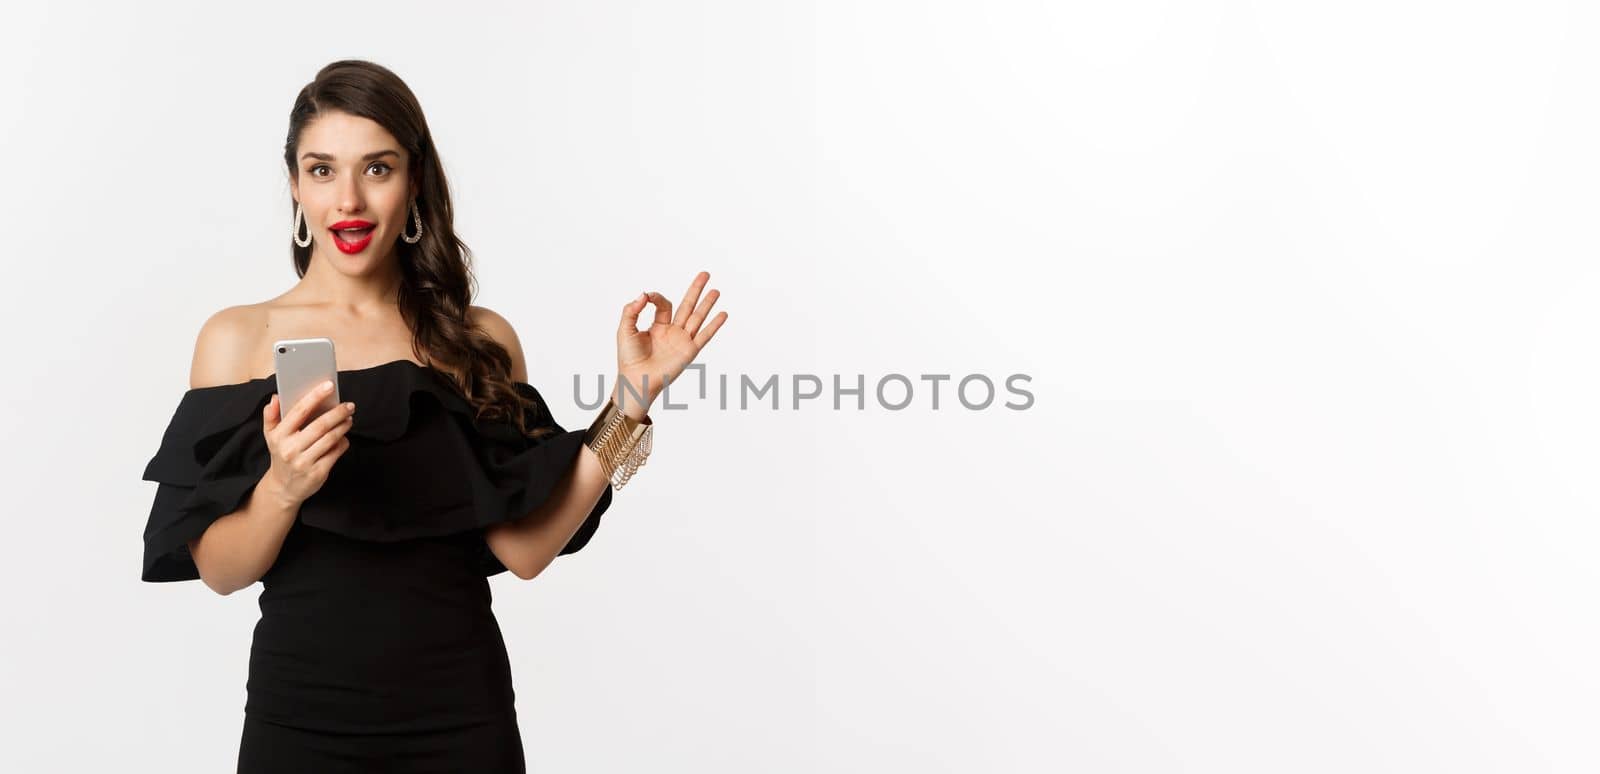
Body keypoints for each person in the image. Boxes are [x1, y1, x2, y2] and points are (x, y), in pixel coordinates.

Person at [138, 59, 727, 773]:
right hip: (300, 720)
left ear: (415, 180)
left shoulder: (478, 340)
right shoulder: (235, 339)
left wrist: (632, 399)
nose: (348, 200)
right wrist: (283, 488)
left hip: (461, 717)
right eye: (322, 170)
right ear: (294, 184)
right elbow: (220, 571)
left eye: (377, 168)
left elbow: (526, 549)